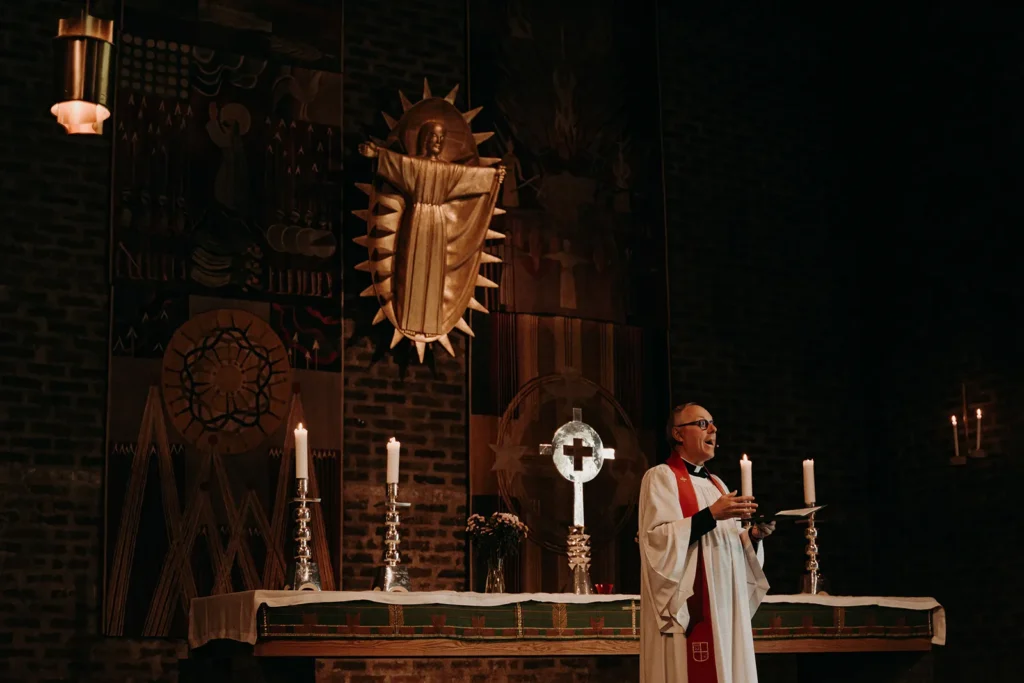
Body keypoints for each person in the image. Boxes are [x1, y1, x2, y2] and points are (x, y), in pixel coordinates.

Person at [639, 403, 774, 683]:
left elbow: (728, 547)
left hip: (725, 604)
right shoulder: (661, 477)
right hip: (692, 606)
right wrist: (712, 514)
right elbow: (656, 541)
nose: (713, 429)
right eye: (702, 424)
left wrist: (753, 537)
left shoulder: (718, 485)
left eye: (712, 423)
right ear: (678, 434)